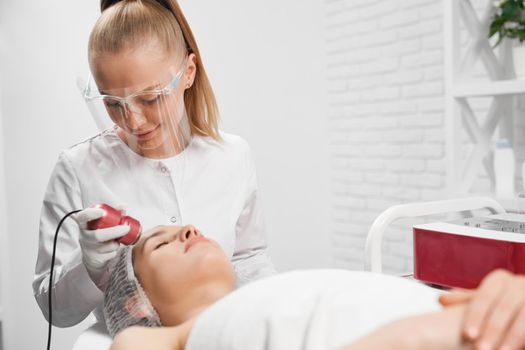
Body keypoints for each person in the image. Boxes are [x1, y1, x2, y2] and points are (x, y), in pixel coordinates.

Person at [33, 0, 275, 328]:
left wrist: (281, 310)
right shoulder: (77, 169)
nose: (133, 120)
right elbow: (55, 312)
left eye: (150, 98)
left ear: (188, 73)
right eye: (113, 103)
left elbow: (249, 260)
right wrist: (87, 269)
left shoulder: (232, 156)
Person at [104, 225, 525, 350]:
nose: (189, 229)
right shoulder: (163, 339)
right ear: (136, 304)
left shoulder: (276, 291)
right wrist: (419, 337)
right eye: (160, 242)